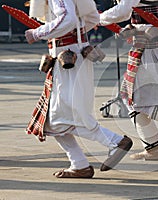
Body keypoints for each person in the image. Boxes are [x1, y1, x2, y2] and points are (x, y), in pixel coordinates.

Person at [25, 0, 133, 178]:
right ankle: (79, 164)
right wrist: (76, 35)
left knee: (63, 118)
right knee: (52, 122)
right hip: (74, 53)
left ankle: (116, 142)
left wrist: (37, 33)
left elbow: (67, 18)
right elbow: (91, 17)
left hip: (68, 57)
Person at [99, 0, 158, 160]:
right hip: (148, 44)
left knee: (141, 101)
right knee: (130, 99)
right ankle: (153, 147)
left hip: (147, 47)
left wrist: (99, 18)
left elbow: (123, 10)